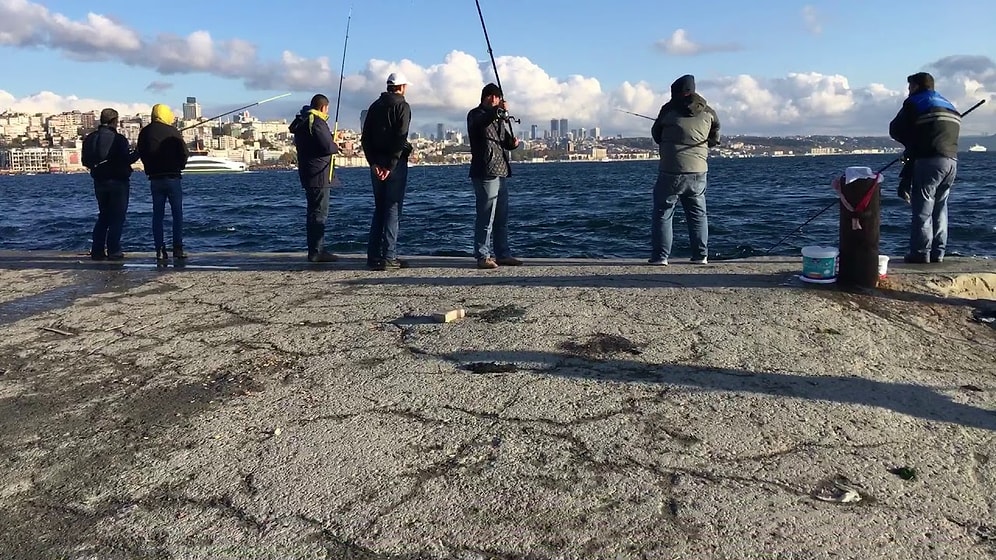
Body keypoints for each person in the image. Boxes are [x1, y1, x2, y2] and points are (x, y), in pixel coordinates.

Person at [889, 72, 961, 264]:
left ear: (915, 87)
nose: (908, 91)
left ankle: (920, 253)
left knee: (923, 208)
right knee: (941, 207)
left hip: (929, 161)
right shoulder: (949, 104)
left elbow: (895, 129)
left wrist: (910, 144)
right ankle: (938, 253)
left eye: (909, 87)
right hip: (951, 162)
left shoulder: (914, 102)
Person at [649, 74, 720, 266]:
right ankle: (700, 256)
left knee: (664, 212)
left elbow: (656, 134)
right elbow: (714, 138)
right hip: (698, 171)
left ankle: (660, 257)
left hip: (671, 170)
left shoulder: (668, 109)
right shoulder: (708, 112)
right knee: (698, 214)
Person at [360, 73, 412, 270]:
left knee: (379, 209)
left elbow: (365, 138)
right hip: (394, 164)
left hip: (376, 163)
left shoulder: (375, 106)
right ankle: (389, 256)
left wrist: (373, 163)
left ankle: (373, 256)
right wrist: (390, 166)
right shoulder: (403, 106)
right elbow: (401, 137)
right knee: (392, 208)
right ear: (402, 87)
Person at [467, 82, 521, 270]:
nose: (496, 100)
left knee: (501, 216)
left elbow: (504, 142)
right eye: (493, 96)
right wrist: (498, 112)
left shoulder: (497, 119)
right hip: (485, 170)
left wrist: (513, 144)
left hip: (501, 170)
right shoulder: (475, 115)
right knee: (486, 215)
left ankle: (503, 253)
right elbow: (482, 123)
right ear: (487, 97)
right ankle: (483, 255)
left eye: (497, 97)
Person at [81, 108, 140, 260]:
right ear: (115, 121)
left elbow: (85, 161)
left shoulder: (89, 138)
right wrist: (139, 151)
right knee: (117, 217)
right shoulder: (119, 139)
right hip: (118, 182)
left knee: (104, 216)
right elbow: (126, 160)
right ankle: (114, 250)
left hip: (99, 182)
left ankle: (97, 250)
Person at [290, 93, 341, 263]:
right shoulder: (317, 122)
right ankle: (317, 252)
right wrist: (335, 144)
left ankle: (315, 249)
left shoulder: (303, 121)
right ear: (323, 107)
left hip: (308, 172)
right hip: (319, 174)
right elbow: (327, 146)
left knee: (313, 212)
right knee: (319, 213)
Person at [137, 104, 189, 263]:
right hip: (173, 178)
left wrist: (149, 168)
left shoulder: (144, 132)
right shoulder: (173, 132)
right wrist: (179, 166)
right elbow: (184, 154)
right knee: (177, 214)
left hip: (155, 179)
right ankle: (178, 249)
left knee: (157, 215)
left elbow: (141, 152)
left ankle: (159, 250)